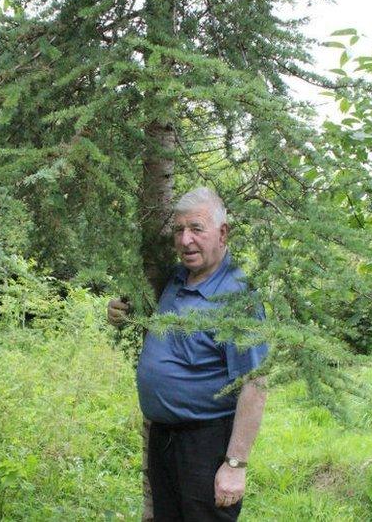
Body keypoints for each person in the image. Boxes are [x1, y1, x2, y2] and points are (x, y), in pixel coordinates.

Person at [107, 187, 268, 521]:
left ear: (223, 233)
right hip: (163, 439)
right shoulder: (176, 278)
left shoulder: (237, 297)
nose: (185, 240)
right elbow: (152, 319)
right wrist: (122, 312)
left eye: (196, 228)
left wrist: (235, 465)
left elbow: (256, 383)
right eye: (179, 230)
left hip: (205, 444)